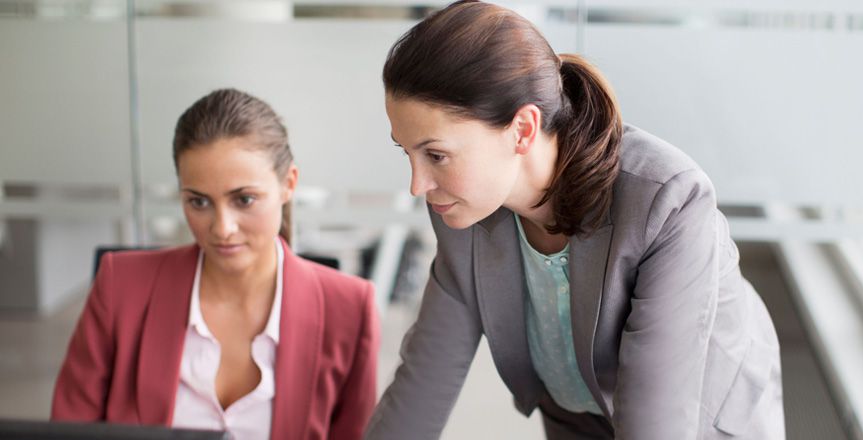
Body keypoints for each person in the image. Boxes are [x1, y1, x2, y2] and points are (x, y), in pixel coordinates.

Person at [364, 2, 784, 439]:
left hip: (700, 422)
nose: (417, 185)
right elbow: (424, 378)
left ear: (523, 129)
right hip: (578, 414)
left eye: (436, 155)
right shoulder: (465, 207)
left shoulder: (668, 202)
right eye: (407, 152)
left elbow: (654, 423)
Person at [52, 88, 379, 440]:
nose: (222, 228)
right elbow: (70, 431)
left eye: (244, 199)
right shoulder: (121, 287)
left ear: (289, 184)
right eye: (199, 202)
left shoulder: (350, 308)